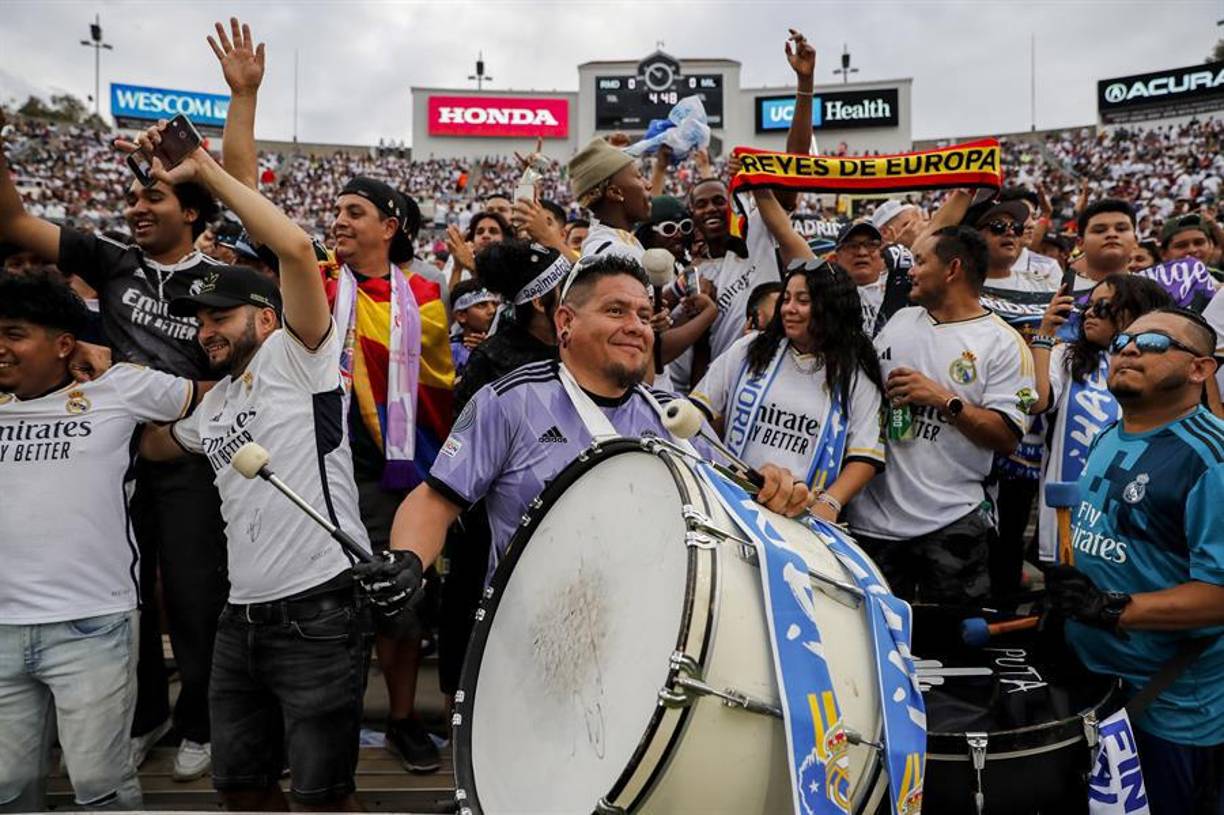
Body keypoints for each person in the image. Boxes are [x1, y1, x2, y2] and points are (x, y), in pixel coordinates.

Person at [356, 253, 816, 614]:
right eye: (616, 310)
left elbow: (736, 499)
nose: (635, 326)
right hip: (526, 643)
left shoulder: (671, 419)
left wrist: (774, 490)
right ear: (565, 323)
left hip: (640, 647)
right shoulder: (510, 402)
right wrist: (410, 560)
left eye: (644, 313)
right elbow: (436, 500)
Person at [132, 123, 372, 812]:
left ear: (265, 317)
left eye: (221, 314)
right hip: (240, 620)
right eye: (198, 320)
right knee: (240, 787)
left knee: (325, 797)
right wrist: (101, 384)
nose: (206, 329)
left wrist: (205, 169)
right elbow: (158, 443)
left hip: (321, 612)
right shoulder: (214, 406)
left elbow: (294, 246)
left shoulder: (300, 357)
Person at [0, 104, 228, 778]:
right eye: (130, 196)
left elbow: (244, 349)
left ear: (192, 214)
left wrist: (182, 432)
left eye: (153, 195)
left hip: (191, 461)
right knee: (130, 595)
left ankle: (202, 722)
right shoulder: (113, 261)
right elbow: (13, 222)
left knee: (193, 594)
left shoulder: (211, 280)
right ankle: (146, 713)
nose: (134, 206)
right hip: (113, 463)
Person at [0, 272, 201, 812]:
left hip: (92, 626)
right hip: (1, 629)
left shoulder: (120, 388)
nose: (1, 347)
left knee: (99, 786)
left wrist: (105, 354)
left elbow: (217, 395)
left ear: (63, 344)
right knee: (10, 787)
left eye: (15, 333)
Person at [1045, 308, 1224, 815]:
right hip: (1096, 685)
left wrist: (1112, 608)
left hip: (1170, 709)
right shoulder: (1110, 434)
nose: (1127, 348)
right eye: (1124, 339)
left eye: (1151, 342)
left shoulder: (1211, 460)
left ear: (1200, 370)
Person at [321, 176, 455, 773]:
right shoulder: (317, 282)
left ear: (390, 226)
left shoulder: (424, 291)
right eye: (338, 210)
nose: (340, 220)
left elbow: (436, 386)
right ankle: (327, 723)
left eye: (356, 211)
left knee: (399, 602)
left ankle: (401, 719)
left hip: (394, 469)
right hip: (320, 466)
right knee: (325, 602)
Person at [846, 226, 1037, 604]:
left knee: (949, 648)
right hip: (872, 524)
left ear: (952, 269)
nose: (910, 271)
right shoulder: (900, 322)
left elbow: (1006, 437)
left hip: (951, 525)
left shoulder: (1002, 343)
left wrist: (944, 400)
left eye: (920, 261)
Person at [691, 257, 885, 522]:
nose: (789, 309)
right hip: (732, 498)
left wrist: (829, 503)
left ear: (831, 308)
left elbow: (866, 455)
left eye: (803, 301)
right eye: (786, 299)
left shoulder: (855, 372)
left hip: (801, 514)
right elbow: (695, 413)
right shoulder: (750, 349)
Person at [1029, 274, 1172, 561]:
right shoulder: (1066, 356)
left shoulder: (1163, 364)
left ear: (1135, 312)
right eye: (1088, 306)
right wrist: (1045, 334)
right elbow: (1036, 401)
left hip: (1136, 513)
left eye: (1103, 306)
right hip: (1069, 517)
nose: (1091, 313)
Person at [569, 137, 652, 263]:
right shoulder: (614, 253)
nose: (649, 184)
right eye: (639, 177)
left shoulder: (617, 242)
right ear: (615, 192)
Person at [833, 220, 887, 334]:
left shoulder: (902, 291)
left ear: (882, 254)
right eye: (852, 246)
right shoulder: (823, 294)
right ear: (836, 257)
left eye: (871, 245)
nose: (862, 253)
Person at [1077, 199, 1140, 284]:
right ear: (1080, 243)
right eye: (1099, 230)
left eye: (1121, 229)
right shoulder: (1060, 292)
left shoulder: (1153, 294)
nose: (1111, 234)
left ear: (1135, 241)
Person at [449, 279, 500, 379]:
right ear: (461, 316)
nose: (492, 311)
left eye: (494, 304)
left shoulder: (503, 345)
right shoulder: (449, 352)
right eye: (482, 305)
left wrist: (490, 351)